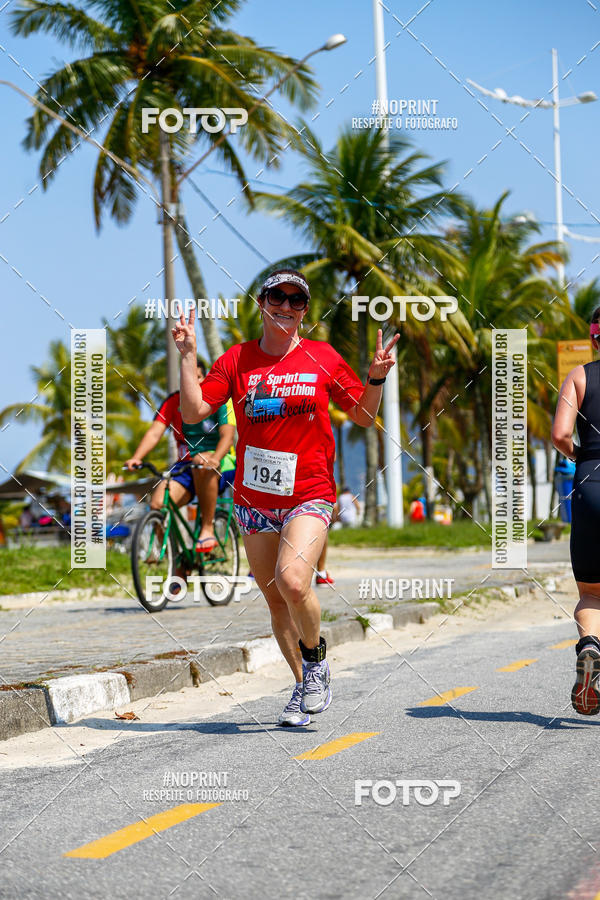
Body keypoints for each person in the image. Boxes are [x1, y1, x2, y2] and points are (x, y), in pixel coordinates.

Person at [172, 268, 399, 727]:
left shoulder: (322, 357)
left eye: (297, 301)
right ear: (262, 302)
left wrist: (375, 379)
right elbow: (195, 409)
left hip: (309, 493)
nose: (287, 307)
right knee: (277, 601)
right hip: (254, 500)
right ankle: (302, 686)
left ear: (305, 312)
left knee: (294, 581)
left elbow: (360, 416)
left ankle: (316, 662)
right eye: (278, 296)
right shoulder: (237, 360)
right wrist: (188, 354)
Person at [125, 359, 235, 555]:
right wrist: (137, 457)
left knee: (202, 462)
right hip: (185, 468)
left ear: (206, 378)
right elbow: (154, 433)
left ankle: (207, 528)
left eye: (198, 378)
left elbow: (227, 436)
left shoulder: (220, 400)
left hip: (220, 463)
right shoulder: (173, 402)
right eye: (189, 378)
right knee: (158, 504)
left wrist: (215, 458)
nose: (194, 383)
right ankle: (174, 560)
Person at [552, 307, 600, 715]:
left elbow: (560, 434)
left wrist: (582, 456)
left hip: (589, 485)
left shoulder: (579, 376)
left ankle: (589, 646)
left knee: (590, 591)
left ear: (594, 338)